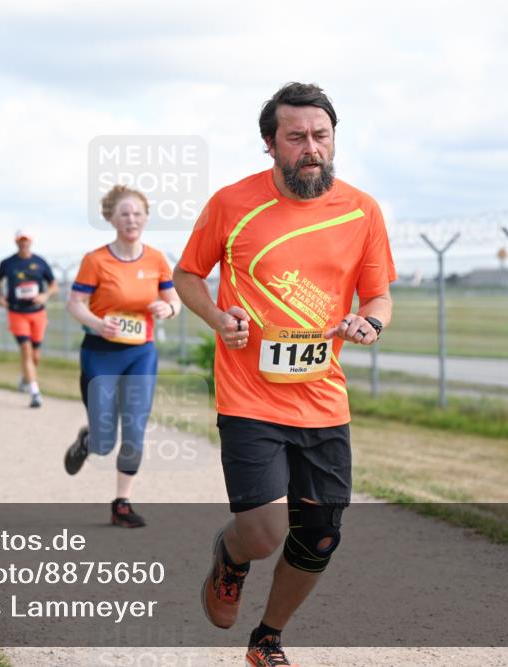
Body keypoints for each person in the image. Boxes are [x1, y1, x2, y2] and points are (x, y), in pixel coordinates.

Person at [173, 82, 396, 666]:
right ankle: (230, 555)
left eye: (320, 135)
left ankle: (267, 637)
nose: (311, 147)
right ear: (270, 144)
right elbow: (188, 276)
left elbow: (378, 298)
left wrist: (368, 325)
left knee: (320, 534)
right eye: (295, 137)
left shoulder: (362, 210)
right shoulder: (231, 203)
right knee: (267, 529)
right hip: (249, 396)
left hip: (324, 399)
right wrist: (221, 319)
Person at [63, 184, 180, 528]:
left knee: (134, 430)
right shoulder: (95, 260)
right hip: (101, 354)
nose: (131, 219)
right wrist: (99, 324)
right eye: (124, 213)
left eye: (137, 213)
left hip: (140, 355)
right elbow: (74, 304)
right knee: (103, 443)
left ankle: (121, 503)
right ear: (111, 218)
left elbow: (174, 300)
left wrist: (168, 309)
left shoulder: (156, 259)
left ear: (145, 218)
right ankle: (88, 440)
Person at [0, 230, 58, 408]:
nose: (23, 243)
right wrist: (1, 296)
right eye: (20, 241)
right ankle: (35, 392)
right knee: (25, 349)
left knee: (35, 355)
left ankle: (25, 377)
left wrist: (45, 296)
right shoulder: (8, 263)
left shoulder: (39, 262)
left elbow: (54, 285)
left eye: (26, 240)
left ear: (31, 242)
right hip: (16, 312)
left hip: (37, 312)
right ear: (16, 242)